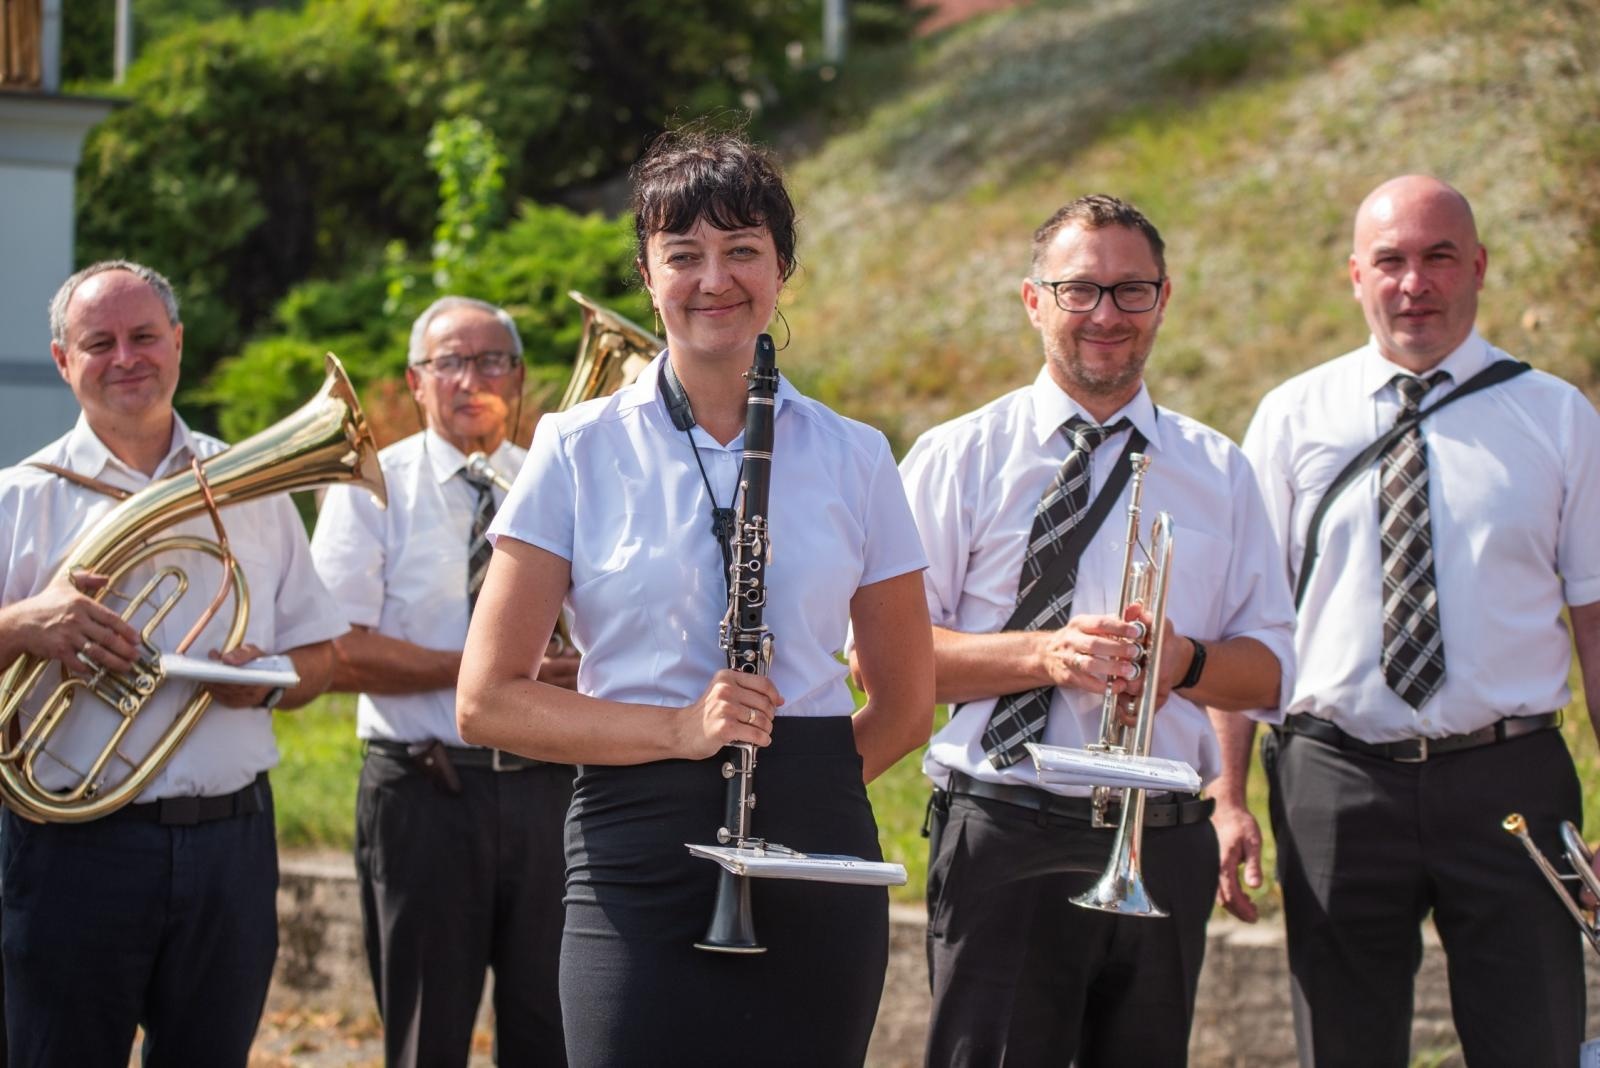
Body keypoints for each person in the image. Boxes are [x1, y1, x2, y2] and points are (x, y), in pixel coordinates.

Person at [454, 126, 935, 1067]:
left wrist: (803, 796)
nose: (715, 278)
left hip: (812, 850)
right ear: (647, 273)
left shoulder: (856, 455)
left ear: (783, 268)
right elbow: (487, 700)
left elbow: (908, 702)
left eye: (743, 249)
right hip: (635, 845)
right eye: (684, 254)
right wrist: (677, 740)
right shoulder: (577, 447)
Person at [901, 194, 1295, 1066]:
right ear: (1033, 300)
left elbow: (1269, 674)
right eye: (1080, 291)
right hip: (1003, 832)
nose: (1106, 315)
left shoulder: (1220, 471)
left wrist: (1182, 663)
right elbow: (881, 660)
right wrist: (1044, 654)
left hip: (1162, 840)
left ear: (1164, 299)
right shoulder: (957, 456)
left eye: (1131, 291)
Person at [1238, 174, 1600, 1067]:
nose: (1415, 283)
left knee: (1535, 1041)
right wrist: (1223, 795)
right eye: (1391, 261)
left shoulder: (1556, 416)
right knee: (1345, 1046)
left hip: (1510, 778)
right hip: (1333, 778)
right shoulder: (1292, 417)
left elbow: (1596, 620)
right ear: (1354, 275)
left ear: (1477, 267)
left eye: (1439, 257)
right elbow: (1246, 618)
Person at [0, 260, 345, 1066]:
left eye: (145, 336)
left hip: (231, 844)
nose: (127, 357)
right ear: (63, 362)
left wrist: (265, 682)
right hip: (71, 851)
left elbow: (324, 656)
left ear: (178, 345)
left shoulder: (251, 484)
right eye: (100, 341)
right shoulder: (19, 497)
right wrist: (24, 623)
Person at [310, 295, 579, 1067]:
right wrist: (496, 677)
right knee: (426, 1039)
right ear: (416, 380)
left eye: (492, 359)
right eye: (449, 362)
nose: (472, 378)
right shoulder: (371, 487)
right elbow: (339, 651)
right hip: (424, 793)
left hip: (548, 793)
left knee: (553, 1035)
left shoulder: (556, 483)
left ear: (520, 376)